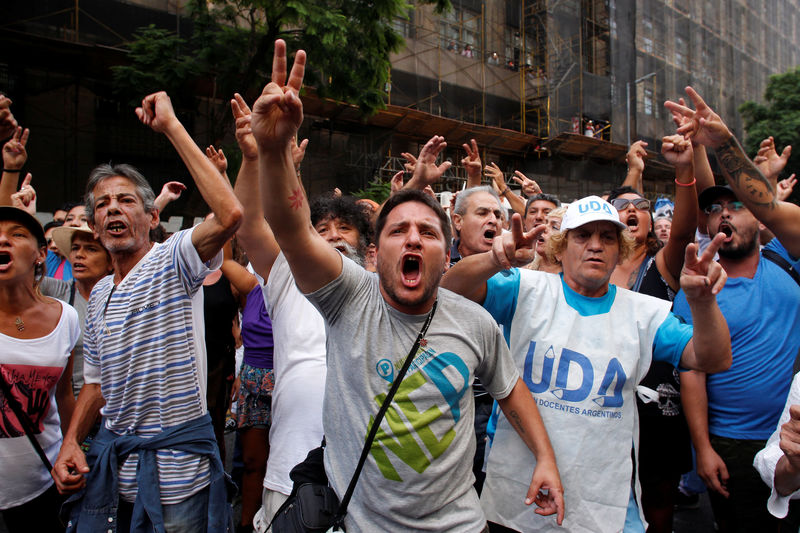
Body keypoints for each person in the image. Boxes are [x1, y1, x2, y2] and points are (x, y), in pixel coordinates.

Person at [249, 39, 564, 531]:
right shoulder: (348, 297)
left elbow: (510, 388)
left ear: (447, 252)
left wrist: (545, 456)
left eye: (428, 232)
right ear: (378, 251)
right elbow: (288, 226)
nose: (413, 238)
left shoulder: (475, 323)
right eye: (398, 230)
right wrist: (272, 150)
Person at [441, 195, 732, 532]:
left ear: (620, 251)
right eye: (582, 236)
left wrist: (703, 303)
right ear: (559, 248)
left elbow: (714, 358)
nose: (596, 245)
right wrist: (495, 258)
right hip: (520, 494)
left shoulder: (643, 314)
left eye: (607, 238)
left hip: (602, 499)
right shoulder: (524, 289)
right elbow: (450, 293)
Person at [51, 91, 243, 532]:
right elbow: (95, 385)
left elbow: (230, 214)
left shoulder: (172, 258)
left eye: (126, 200)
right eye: (103, 205)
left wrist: (172, 126)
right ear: (96, 227)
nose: (114, 208)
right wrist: (71, 443)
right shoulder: (97, 297)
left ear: (153, 216)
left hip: (181, 481)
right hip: (117, 479)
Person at [227, 92, 373, 526]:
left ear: (367, 247)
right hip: (291, 467)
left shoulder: (381, 289)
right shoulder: (286, 274)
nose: (332, 237)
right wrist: (256, 158)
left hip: (370, 472)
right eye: (321, 228)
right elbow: (249, 225)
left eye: (344, 228)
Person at [667, 86, 800, 531]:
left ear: (760, 218)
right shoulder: (698, 285)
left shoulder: (787, 261)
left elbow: (771, 204)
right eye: (715, 210)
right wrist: (702, 448)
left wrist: (722, 143)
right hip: (731, 444)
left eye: (737, 206)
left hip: (791, 438)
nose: (726, 214)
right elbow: (692, 372)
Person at [0, 206, 79, 532]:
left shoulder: (66, 318)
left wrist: (75, 448)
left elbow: (64, 396)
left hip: (39, 484)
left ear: (41, 255)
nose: (3, 240)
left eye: (17, 235)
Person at [41, 223, 113, 396]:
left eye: (91, 249)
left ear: (111, 261)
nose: (79, 255)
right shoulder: (54, 292)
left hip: (110, 411)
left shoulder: (124, 299)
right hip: (62, 408)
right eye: (75, 248)